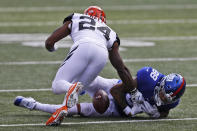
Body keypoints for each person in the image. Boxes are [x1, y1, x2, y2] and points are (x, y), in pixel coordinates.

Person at [40, 6, 142, 126]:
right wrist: (133, 90)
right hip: (102, 54)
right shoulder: (111, 33)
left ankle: (70, 89)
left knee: (58, 85)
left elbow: (49, 42)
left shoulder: (76, 17)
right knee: (77, 89)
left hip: (83, 45)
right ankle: (61, 112)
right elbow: (121, 68)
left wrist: (51, 48)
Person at [14, 67, 186, 119]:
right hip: (116, 89)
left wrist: (154, 114)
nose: (162, 97)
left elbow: (163, 113)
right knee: (91, 79)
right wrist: (129, 110)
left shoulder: (171, 102)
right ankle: (74, 87)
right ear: (161, 84)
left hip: (112, 111)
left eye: (167, 97)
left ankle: (33, 104)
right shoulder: (148, 78)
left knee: (68, 110)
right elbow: (115, 91)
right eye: (162, 92)